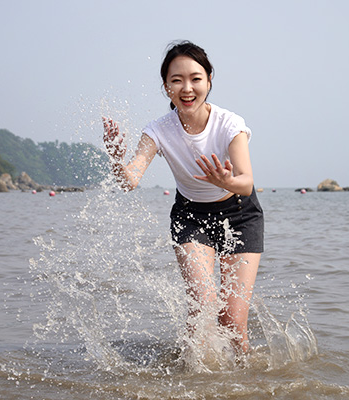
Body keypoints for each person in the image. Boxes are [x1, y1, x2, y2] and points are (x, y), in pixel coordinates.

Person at [102, 41, 264, 355]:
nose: (186, 88)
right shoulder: (158, 131)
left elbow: (246, 183)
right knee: (203, 308)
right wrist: (115, 159)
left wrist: (226, 180)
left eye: (195, 78)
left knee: (231, 321)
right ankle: (191, 378)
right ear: (166, 87)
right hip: (191, 217)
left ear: (209, 80)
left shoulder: (230, 124)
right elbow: (130, 180)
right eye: (176, 80)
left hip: (241, 214)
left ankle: (248, 381)